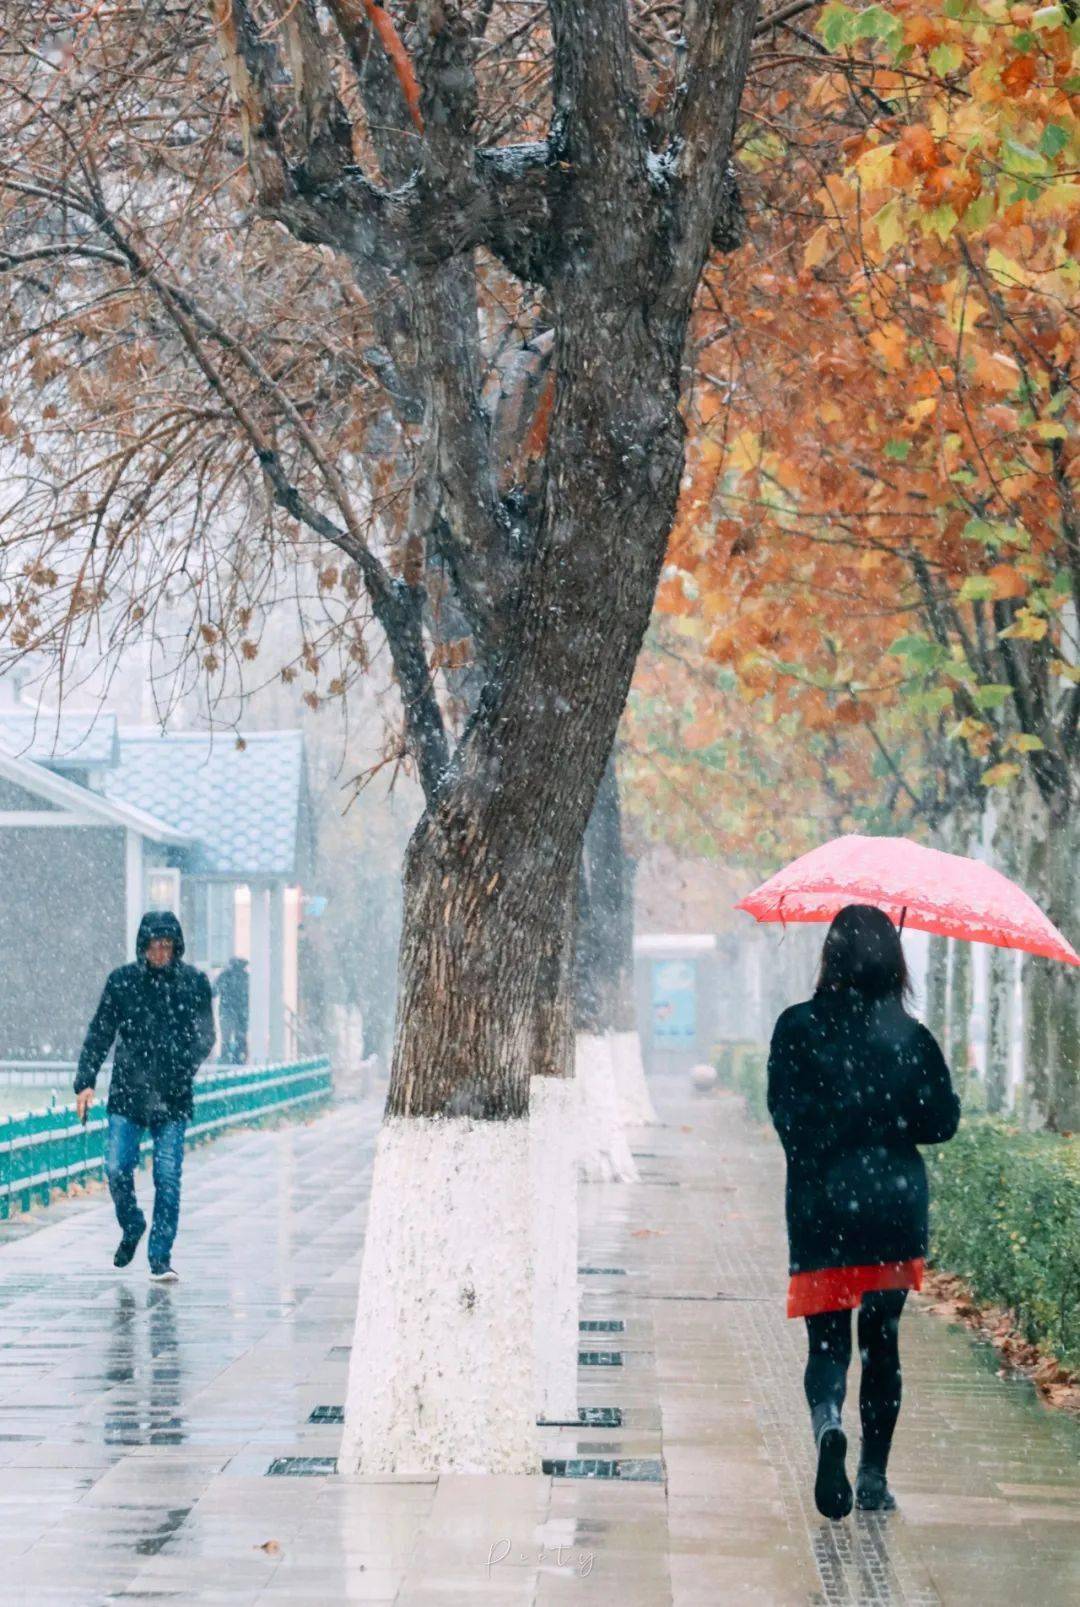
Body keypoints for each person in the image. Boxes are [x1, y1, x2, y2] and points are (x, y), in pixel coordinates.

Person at [767, 904, 960, 1520]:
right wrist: (896, 1107)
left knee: (827, 1344)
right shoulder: (911, 1035)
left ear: (831, 956)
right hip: (892, 1212)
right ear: (893, 961)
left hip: (824, 1209)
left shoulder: (796, 1027)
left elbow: (788, 1121)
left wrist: (834, 1130)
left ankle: (828, 1424)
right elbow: (943, 1123)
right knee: (883, 1345)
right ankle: (873, 1478)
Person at [74, 910, 215, 1282]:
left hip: (172, 1097)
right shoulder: (123, 983)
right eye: (154, 945)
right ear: (143, 947)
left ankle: (160, 1257)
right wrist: (85, 1080)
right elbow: (100, 1032)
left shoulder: (193, 984)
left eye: (167, 945)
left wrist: (178, 1070)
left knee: (168, 1178)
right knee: (117, 1168)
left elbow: (204, 1037)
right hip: (128, 1094)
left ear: (176, 947)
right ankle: (132, 1223)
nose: (160, 952)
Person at [213, 955, 249, 1064]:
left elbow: (213, 991)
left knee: (226, 1039)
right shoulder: (246, 977)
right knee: (240, 1038)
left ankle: (226, 1059)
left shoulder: (224, 976)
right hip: (241, 1013)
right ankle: (239, 1059)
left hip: (227, 1011)